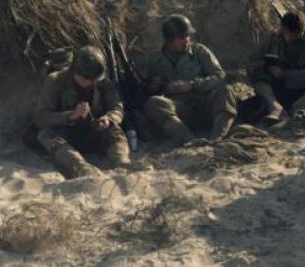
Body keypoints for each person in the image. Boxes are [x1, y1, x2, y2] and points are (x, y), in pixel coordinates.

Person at [33, 45, 130, 178]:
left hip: (93, 129)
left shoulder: (101, 82)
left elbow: (117, 107)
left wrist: (109, 118)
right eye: (84, 78)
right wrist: (70, 116)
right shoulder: (55, 81)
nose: (88, 82)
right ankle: (81, 168)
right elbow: (40, 117)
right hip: (66, 135)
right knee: (46, 135)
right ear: (74, 70)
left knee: (114, 129)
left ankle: (123, 164)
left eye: (91, 79)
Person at [143, 14, 237, 144]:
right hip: (181, 111)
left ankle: (217, 139)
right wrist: (157, 87)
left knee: (226, 91)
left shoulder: (200, 51)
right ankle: (188, 140)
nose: (186, 40)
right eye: (181, 37)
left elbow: (220, 77)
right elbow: (149, 91)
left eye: (187, 36)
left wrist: (192, 85)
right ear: (169, 40)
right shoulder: (155, 60)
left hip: (207, 106)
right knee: (153, 103)